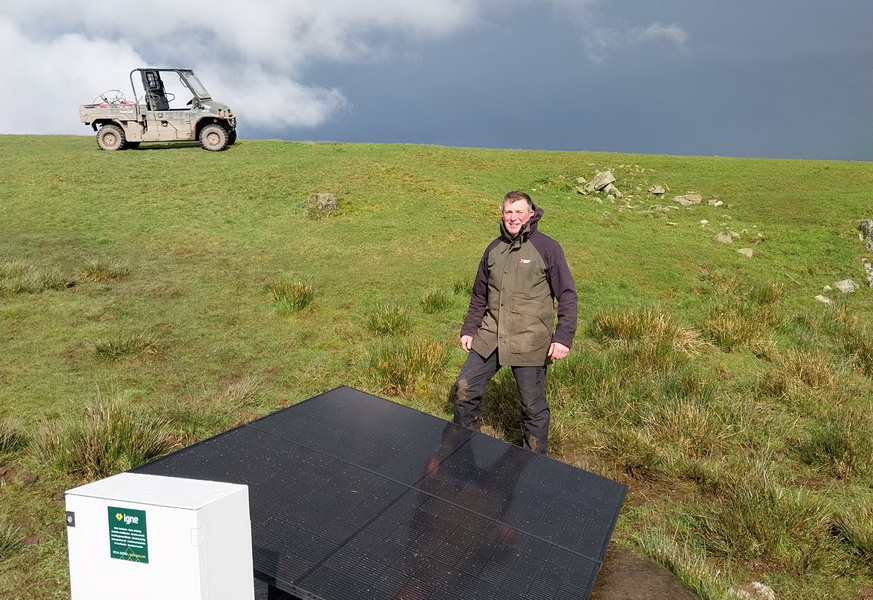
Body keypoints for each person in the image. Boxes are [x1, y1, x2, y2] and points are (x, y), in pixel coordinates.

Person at [453, 190, 578, 455]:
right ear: (502, 214)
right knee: (465, 389)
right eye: (508, 212)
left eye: (519, 212)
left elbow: (567, 294)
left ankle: (533, 463)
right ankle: (462, 451)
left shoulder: (547, 247)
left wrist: (562, 337)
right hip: (490, 336)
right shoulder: (493, 249)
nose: (513, 217)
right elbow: (479, 294)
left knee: (532, 407)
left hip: (530, 339)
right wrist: (469, 329)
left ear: (531, 214)